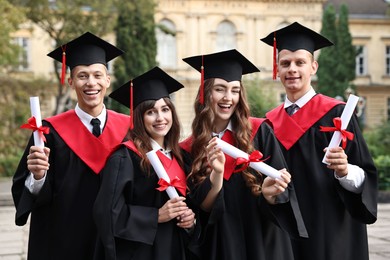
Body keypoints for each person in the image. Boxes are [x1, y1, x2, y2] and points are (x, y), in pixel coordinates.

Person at [260, 22, 378, 260]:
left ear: (313, 67)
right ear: (277, 69)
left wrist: (345, 171)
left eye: (300, 62)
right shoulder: (268, 124)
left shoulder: (338, 114)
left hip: (331, 230)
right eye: (285, 63)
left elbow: (365, 175)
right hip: (285, 233)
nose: (292, 69)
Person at [180, 49, 307, 260]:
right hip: (220, 243)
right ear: (205, 93)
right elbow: (201, 208)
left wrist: (270, 194)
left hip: (263, 239)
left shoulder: (260, 131)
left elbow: (285, 189)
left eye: (235, 90)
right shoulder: (189, 148)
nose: (228, 98)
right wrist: (216, 175)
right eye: (220, 89)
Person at [12, 32, 129, 260]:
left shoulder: (129, 130)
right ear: (70, 81)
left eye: (97, 75)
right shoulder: (49, 131)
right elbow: (26, 193)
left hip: (115, 240)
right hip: (64, 241)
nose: (91, 83)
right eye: (82, 76)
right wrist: (37, 177)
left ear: (108, 80)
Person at [93, 66, 199, 260]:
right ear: (139, 118)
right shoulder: (125, 158)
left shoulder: (182, 157)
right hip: (143, 253)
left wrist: (191, 222)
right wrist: (156, 216)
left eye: (165, 110)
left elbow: (194, 208)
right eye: (151, 112)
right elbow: (107, 213)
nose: (160, 118)